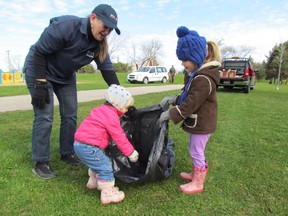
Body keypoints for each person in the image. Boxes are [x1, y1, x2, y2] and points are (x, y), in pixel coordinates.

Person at [23, 4, 121, 180]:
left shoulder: (99, 44)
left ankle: (67, 152)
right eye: (105, 26)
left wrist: (122, 98)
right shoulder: (66, 26)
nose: (107, 32)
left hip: (65, 76)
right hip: (40, 69)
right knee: (45, 115)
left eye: (111, 29)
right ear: (93, 18)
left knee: (70, 114)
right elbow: (39, 52)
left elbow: (108, 72)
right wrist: (40, 83)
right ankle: (41, 161)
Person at [159, 26, 221, 194]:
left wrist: (169, 114)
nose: (182, 63)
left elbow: (190, 104)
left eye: (185, 59)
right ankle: (195, 173)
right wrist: (175, 99)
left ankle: (198, 182)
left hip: (203, 122)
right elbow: (187, 96)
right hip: (200, 122)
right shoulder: (197, 76)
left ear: (196, 57)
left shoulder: (203, 79)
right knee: (195, 149)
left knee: (196, 150)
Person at [74, 84, 139, 204]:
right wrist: (130, 152)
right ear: (117, 105)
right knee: (105, 167)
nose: (126, 110)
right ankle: (107, 192)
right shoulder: (111, 116)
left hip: (79, 144)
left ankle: (93, 181)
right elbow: (119, 136)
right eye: (125, 107)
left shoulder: (101, 110)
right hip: (88, 147)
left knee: (97, 162)